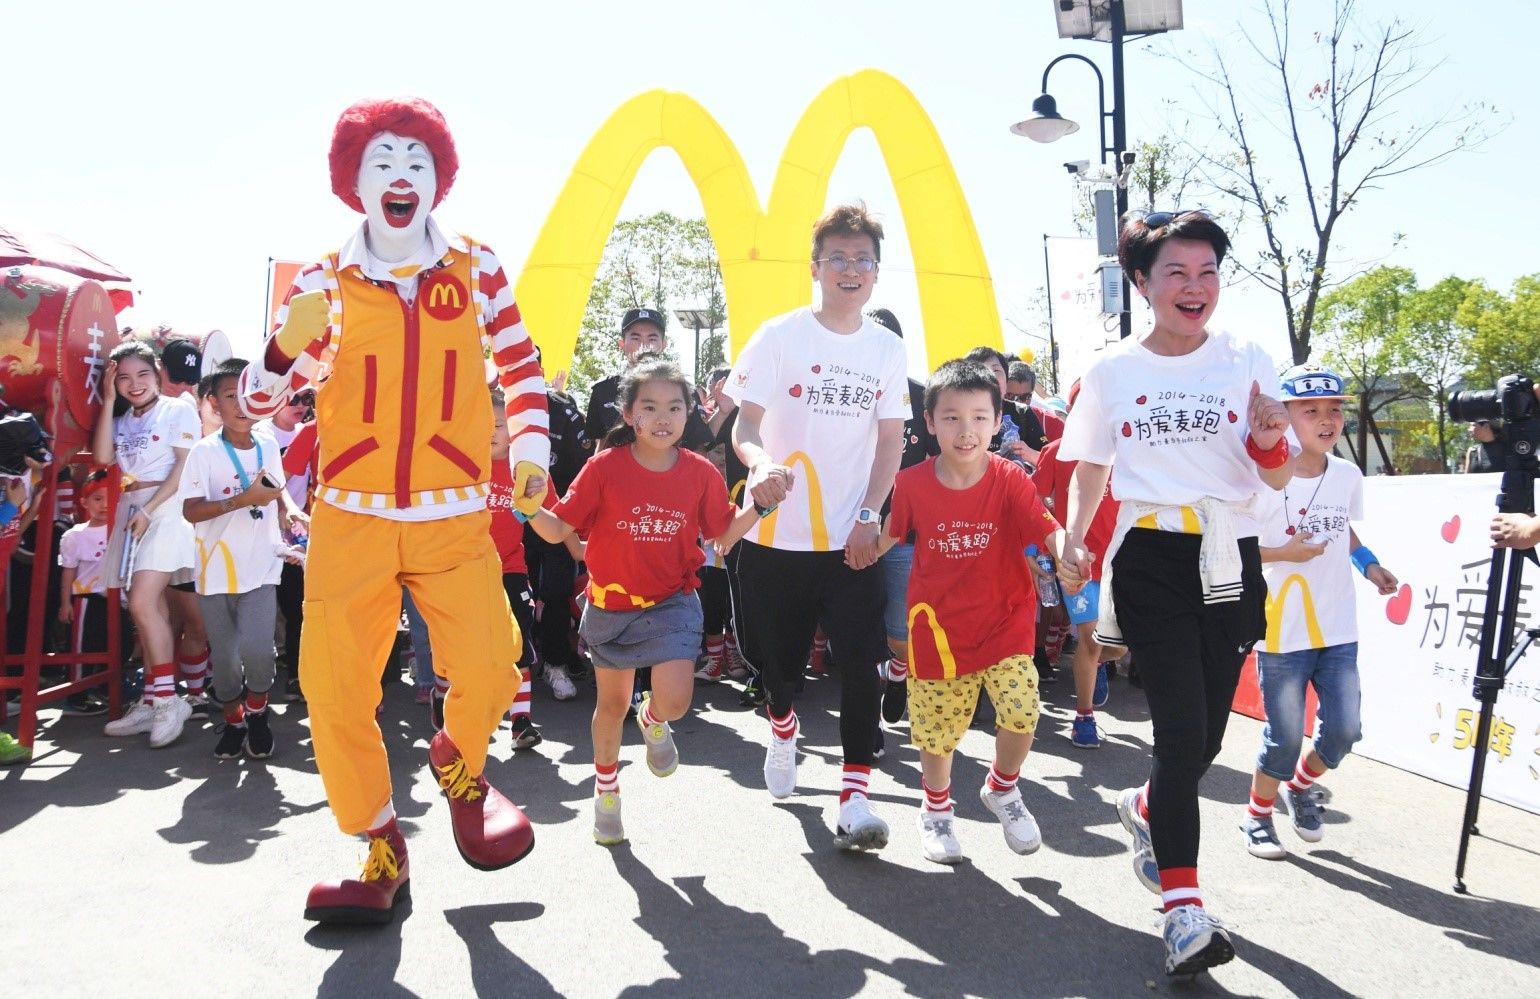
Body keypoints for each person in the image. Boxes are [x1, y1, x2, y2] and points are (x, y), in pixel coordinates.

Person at [237, 97, 549, 924]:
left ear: (438, 178)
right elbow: (262, 404)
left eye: (415, 161)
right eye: (381, 162)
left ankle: (458, 757)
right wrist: (278, 349)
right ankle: (380, 843)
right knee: (336, 690)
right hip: (352, 517)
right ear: (354, 183)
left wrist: (533, 450)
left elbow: (521, 365)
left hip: (452, 514)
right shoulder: (323, 281)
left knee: (489, 663)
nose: (400, 176)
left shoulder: (478, 267)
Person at [1058, 210, 1292, 977]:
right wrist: (1074, 536)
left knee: (1203, 743)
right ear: (1142, 283)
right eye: (1177, 274)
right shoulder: (1114, 371)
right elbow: (1090, 463)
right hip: (1153, 555)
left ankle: (1149, 807)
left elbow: (1279, 472)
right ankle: (1183, 912)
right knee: (1177, 732)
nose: (1195, 289)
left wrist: (1266, 437)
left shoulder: (1248, 356)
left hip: (1232, 552)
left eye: (1208, 273)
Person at [725, 202, 909, 851]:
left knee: (861, 664)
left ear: (876, 272)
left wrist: (869, 515)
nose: (851, 269)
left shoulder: (886, 349)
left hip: (849, 542)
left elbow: (891, 441)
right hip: (776, 539)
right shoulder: (780, 336)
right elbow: (743, 425)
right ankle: (782, 727)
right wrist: (762, 463)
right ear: (816, 267)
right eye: (839, 258)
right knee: (779, 668)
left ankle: (854, 797)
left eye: (863, 259)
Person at [524, 356, 758, 844]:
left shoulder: (700, 473)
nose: (663, 418)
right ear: (628, 414)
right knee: (610, 706)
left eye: (675, 406)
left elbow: (722, 534)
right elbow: (558, 528)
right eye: (649, 407)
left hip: (674, 600)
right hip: (611, 608)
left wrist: (763, 504)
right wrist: (525, 505)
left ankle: (652, 720)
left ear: (689, 411)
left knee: (674, 701)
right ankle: (607, 793)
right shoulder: (603, 467)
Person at [880, 359, 1077, 864]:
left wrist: (1065, 549)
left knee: (1021, 708)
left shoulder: (1011, 479)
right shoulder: (912, 483)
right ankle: (937, 810)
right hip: (938, 629)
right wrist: (854, 552)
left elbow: (1046, 526)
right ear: (929, 422)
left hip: (1005, 621)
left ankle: (1003, 787)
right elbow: (889, 537)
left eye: (978, 417)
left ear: (996, 421)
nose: (965, 430)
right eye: (951, 417)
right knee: (938, 731)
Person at [1242, 364, 1400, 858]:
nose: (1327, 420)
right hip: (1282, 631)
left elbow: (1344, 532)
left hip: (1338, 627)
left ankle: (1300, 786)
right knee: (1285, 738)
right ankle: (1257, 817)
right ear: (1285, 416)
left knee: (1345, 730)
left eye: (1334, 410)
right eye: (1311, 411)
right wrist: (1284, 554)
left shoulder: (1348, 474)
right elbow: (1238, 547)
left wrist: (1370, 566)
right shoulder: (1264, 479)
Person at [181, 360, 307, 759]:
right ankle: (234, 721)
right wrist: (242, 500)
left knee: (258, 651)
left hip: (260, 568)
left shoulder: (268, 443)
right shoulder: (204, 452)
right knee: (226, 663)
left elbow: (276, 486)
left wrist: (288, 509)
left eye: (246, 394)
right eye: (229, 396)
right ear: (214, 404)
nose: (240, 405)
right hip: (215, 572)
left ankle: (257, 715)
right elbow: (191, 511)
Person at [95, 340, 200, 749]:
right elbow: (104, 455)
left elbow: (184, 464)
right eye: (123, 378)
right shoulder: (123, 417)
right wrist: (107, 401)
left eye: (141, 374)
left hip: (166, 510)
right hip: (132, 508)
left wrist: (152, 508)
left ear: (157, 371)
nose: (133, 384)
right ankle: (154, 697)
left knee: (142, 602)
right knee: (146, 609)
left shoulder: (178, 408)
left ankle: (168, 700)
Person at [1032, 380, 1123, 749]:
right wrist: (1042, 550)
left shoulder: (1129, 451)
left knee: (1115, 646)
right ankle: (1084, 717)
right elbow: (1035, 503)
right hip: (1078, 565)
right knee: (1090, 637)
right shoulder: (1056, 452)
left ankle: (1098, 663)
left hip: (1123, 563)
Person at [864, 307, 939, 734]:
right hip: (845, 530)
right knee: (858, 630)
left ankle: (897, 670)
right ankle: (867, 726)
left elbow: (934, 469)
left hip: (903, 537)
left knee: (898, 630)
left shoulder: (922, 397)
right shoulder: (842, 390)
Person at [583, 309, 714, 454]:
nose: (644, 345)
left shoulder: (684, 390)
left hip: (673, 474)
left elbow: (698, 447)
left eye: (652, 339)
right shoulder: (603, 390)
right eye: (635, 338)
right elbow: (601, 444)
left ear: (664, 344)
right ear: (622, 343)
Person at [255, 388, 314, 703]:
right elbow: (268, 480)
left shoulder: (311, 431)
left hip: (298, 534)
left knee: (296, 607)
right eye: (293, 399)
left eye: (307, 400)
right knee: (257, 609)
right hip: (258, 531)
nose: (301, 406)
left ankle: (296, 675)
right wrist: (281, 507)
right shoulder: (259, 433)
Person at [56, 469, 113, 716]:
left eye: (110, 498)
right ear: (84, 502)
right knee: (81, 647)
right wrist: (65, 602)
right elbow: (68, 571)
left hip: (114, 598)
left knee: (109, 644)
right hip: (86, 598)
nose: (104, 505)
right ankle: (76, 694)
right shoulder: (74, 535)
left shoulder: (122, 529)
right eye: (97, 498)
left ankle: (102, 688)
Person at [1007, 361, 1064, 443]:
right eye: (1011, 396)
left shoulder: (1051, 423)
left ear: (1032, 395)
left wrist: (1034, 455)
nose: (1018, 403)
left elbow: (1066, 455)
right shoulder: (990, 421)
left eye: (1024, 397)